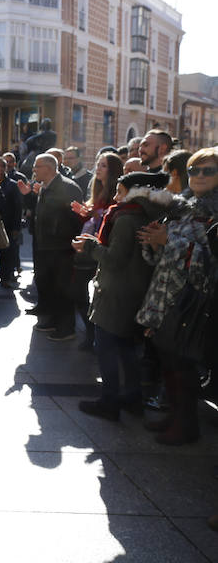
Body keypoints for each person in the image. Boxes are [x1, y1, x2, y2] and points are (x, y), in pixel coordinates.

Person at [136, 147, 218, 445]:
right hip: (165, 293)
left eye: (208, 170)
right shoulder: (184, 205)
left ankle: (186, 425)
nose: (198, 175)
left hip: (193, 301)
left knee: (182, 365)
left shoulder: (213, 212)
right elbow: (165, 252)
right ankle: (176, 416)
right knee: (167, 360)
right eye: (195, 169)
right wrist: (155, 241)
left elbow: (208, 263)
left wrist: (167, 239)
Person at [74, 172, 172, 421]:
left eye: (119, 192)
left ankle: (110, 402)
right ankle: (131, 397)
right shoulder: (146, 213)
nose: (115, 197)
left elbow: (115, 260)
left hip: (117, 291)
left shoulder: (127, 217)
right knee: (126, 347)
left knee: (105, 347)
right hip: (133, 289)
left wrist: (89, 245)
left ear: (133, 192)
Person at [19, 153, 84, 340]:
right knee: (49, 285)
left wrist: (64, 238)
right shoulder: (45, 187)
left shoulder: (68, 187)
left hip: (61, 247)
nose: (33, 170)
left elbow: (75, 218)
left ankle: (66, 328)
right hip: (45, 245)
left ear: (48, 167)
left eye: (37, 166)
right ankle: (53, 321)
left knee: (62, 288)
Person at [69, 152, 124, 349]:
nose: (98, 169)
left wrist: (93, 215)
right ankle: (90, 332)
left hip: (101, 252)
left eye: (103, 165)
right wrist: (84, 214)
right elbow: (90, 222)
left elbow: (109, 223)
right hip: (86, 250)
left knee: (95, 296)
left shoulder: (116, 195)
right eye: (98, 164)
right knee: (79, 294)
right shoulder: (96, 191)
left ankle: (95, 336)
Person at [0, 156, 23, 289]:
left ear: (5, 168)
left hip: (8, 224)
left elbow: (18, 207)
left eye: (0, 165)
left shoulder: (12, 185)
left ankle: (6, 277)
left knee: (6, 253)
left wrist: (16, 227)